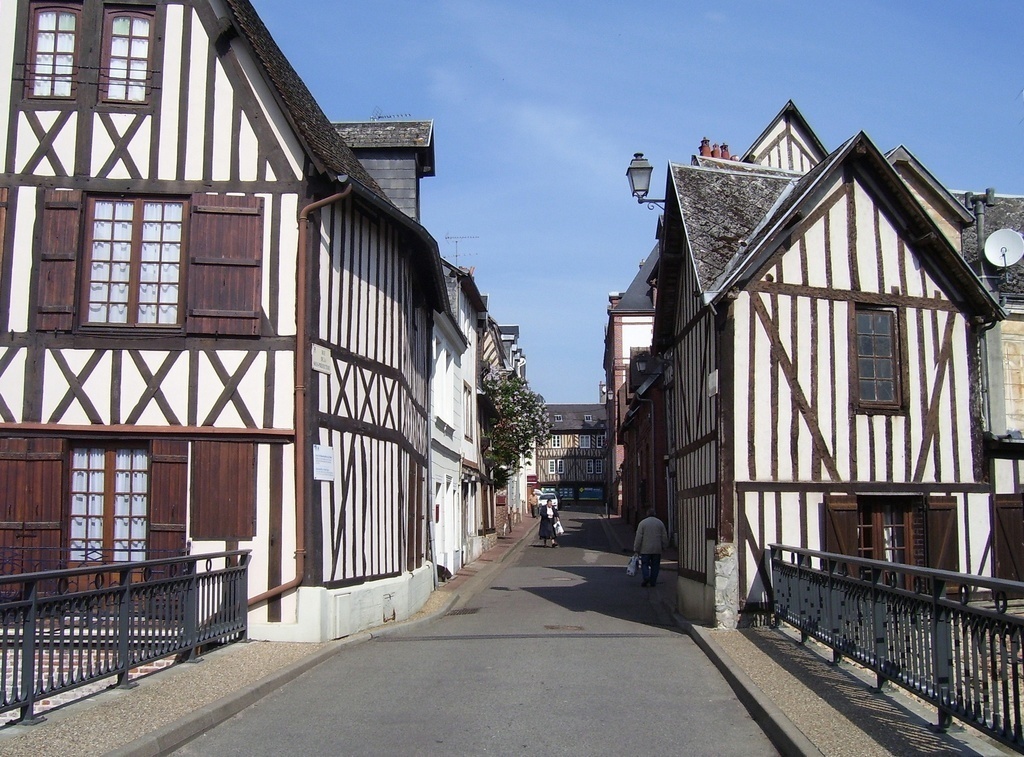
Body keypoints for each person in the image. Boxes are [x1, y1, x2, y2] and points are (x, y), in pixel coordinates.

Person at [633, 508, 669, 587]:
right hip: (657, 549)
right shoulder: (660, 523)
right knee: (655, 565)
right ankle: (653, 581)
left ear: (647, 514)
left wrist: (636, 549)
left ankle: (646, 577)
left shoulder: (642, 523)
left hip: (645, 549)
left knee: (644, 564)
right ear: (655, 514)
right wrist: (665, 546)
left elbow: (638, 537)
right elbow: (664, 536)